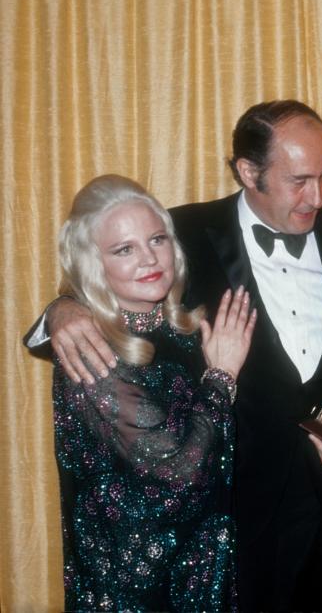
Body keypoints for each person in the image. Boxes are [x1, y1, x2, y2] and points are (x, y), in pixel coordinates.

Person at [28, 101, 322, 612]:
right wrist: (62, 309)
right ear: (249, 171)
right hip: (226, 520)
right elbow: (108, 277)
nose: (318, 196)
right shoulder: (178, 234)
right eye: (299, 180)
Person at [50, 175, 255, 611]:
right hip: (136, 593)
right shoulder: (91, 352)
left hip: (207, 576)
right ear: (93, 263)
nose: (149, 258)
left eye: (157, 239)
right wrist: (221, 377)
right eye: (124, 249)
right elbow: (181, 471)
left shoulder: (184, 330)